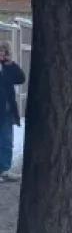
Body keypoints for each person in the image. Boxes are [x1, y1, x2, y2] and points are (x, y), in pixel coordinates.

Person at [0, 42, 25, 181]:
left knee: (6, 141)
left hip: (7, 110)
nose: (1, 54)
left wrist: (11, 64)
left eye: (4, 52)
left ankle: (4, 169)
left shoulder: (7, 68)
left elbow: (21, 79)